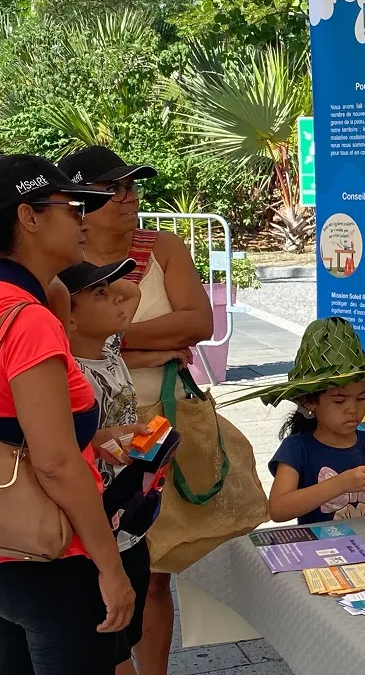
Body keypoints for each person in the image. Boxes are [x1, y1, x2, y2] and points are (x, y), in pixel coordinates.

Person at [57, 145, 212, 675]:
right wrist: (133, 346)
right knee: (101, 574)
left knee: (152, 571)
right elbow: (57, 341)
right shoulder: (60, 267)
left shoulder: (162, 246)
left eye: (130, 185)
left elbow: (199, 324)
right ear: (77, 203)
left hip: (159, 425)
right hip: (93, 432)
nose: (128, 197)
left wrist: (107, 339)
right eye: (111, 189)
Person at [0, 154, 135, 675]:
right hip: (54, 555)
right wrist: (111, 567)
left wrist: (91, 436)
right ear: (28, 217)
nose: (84, 218)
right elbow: (56, 463)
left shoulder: (19, 303)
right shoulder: (27, 320)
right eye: (71, 207)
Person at [58, 259, 186, 675]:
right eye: (99, 295)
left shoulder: (109, 348)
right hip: (93, 523)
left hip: (129, 518)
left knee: (127, 632)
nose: (117, 299)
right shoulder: (66, 368)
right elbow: (55, 445)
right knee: (108, 646)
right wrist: (98, 441)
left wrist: (100, 279)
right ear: (68, 318)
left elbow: (131, 291)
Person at [230, 316, 365, 524]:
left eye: (361, 398)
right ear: (310, 401)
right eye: (339, 400)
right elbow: (278, 510)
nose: (352, 409)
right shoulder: (297, 449)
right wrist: (341, 484)